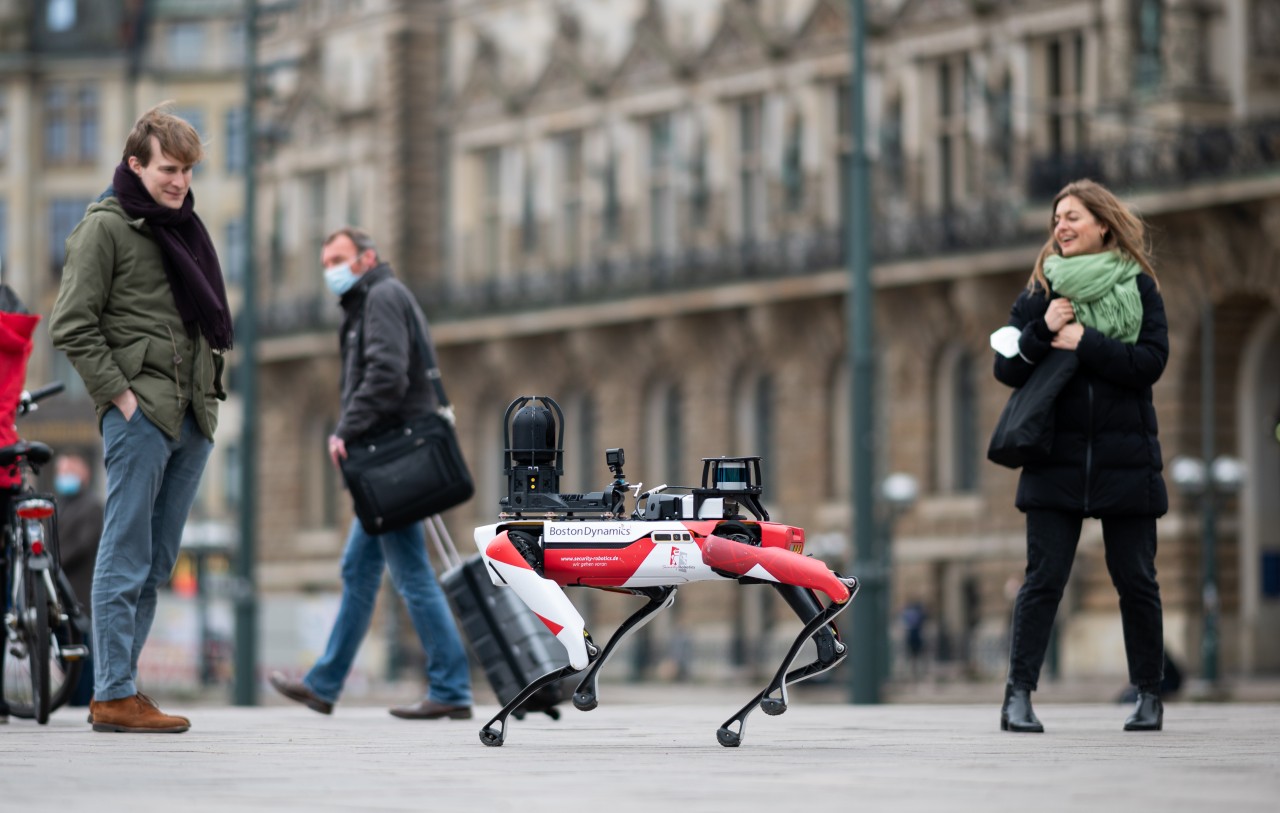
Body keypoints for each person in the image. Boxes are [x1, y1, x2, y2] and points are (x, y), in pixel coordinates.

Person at [50, 103, 232, 733]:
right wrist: (121, 399)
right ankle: (113, 692)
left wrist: (207, 395)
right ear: (135, 164)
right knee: (123, 555)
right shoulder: (105, 227)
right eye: (167, 169)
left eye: (186, 170)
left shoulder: (181, 227)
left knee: (155, 562)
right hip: (142, 414)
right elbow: (71, 323)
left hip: (192, 415)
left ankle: (122, 691)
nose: (179, 181)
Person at [268, 227, 473, 720]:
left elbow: (386, 373)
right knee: (358, 570)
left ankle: (451, 686)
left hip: (392, 465)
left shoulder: (382, 296)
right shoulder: (373, 300)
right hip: (390, 464)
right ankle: (325, 684)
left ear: (368, 257)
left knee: (411, 575)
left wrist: (346, 428)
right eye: (325, 262)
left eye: (339, 258)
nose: (331, 270)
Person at [993, 179, 1168, 734]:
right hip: (1054, 461)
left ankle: (1149, 695)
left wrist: (1085, 342)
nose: (1061, 227)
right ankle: (1017, 696)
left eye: (1072, 217)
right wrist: (1042, 332)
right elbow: (1006, 367)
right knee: (1043, 580)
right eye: (1056, 219)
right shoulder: (1042, 293)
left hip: (1126, 460)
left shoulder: (1139, 288)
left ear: (1103, 226)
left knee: (1137, 580)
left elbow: (1151, 363)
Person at [54, 451, 105, 707]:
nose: (64, 477)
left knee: (81, 654)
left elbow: (83, 545)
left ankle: (84, 701)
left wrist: (53, 561)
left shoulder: (92, 506)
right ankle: (74, 699)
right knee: (64, 652)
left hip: (79, 593)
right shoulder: (59, 504)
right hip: (57, 595)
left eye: (69, 471)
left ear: (83, 474)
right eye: (61, 471)